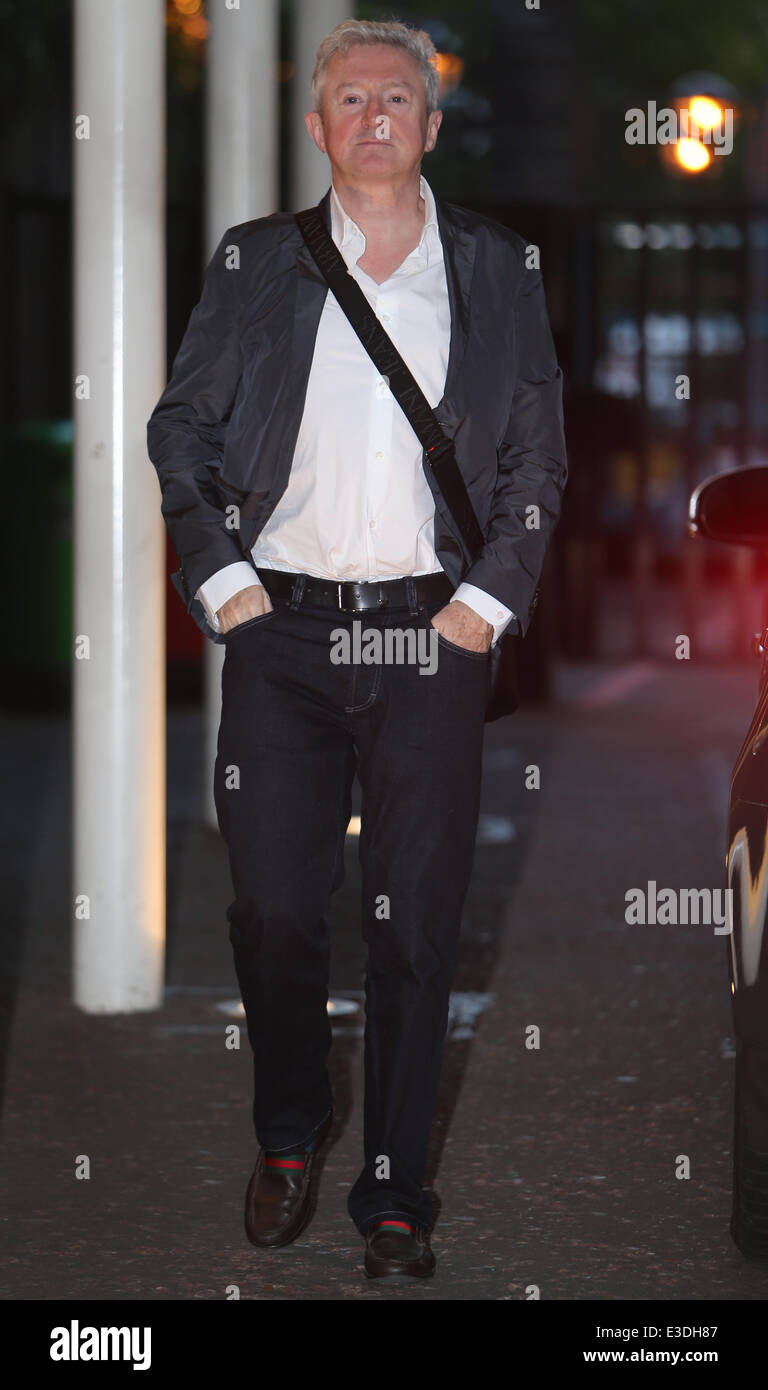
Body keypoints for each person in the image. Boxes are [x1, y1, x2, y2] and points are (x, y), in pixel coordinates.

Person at [147, 17, 567, 1284]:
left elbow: (536, 456)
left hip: (430, 635)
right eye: (351, 98)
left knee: (416, 926)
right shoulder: (258, 262)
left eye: (399, 96)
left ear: (431, 127)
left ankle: (395, 1191)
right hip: (280, 630)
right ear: (321, 127)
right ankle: (292, 1122)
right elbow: (182, 430)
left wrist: (490, 601)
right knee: (274, 907)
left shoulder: (497, 268)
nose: (375, 114)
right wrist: (219, 576)